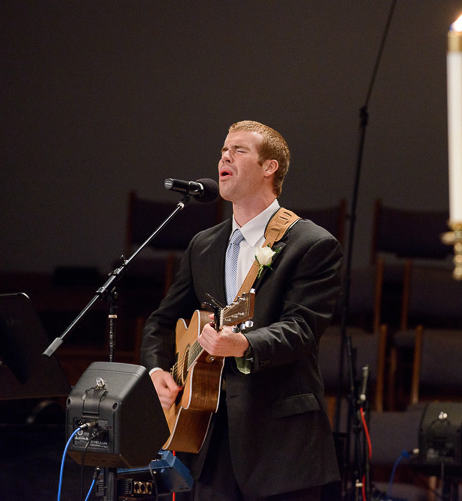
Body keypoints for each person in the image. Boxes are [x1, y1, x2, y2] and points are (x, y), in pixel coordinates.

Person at [139, 120, 343, 500]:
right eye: (222, 151)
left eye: (239, 150)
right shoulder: (203, 244)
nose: (225, 156)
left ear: (270, 168)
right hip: (207, 437)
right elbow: (162, 323)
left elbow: (302, 329)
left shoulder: (311, 244)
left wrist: (243, 345)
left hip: (280, 445)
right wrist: (156, 370)